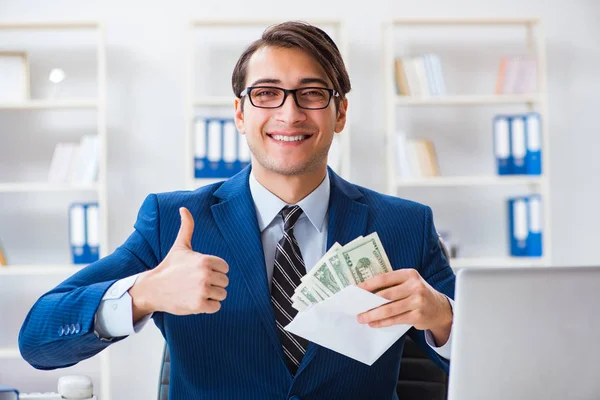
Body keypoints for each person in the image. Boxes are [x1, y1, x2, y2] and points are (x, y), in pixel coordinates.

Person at [19, 21, 455, 400]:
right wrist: (143, 294)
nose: (290, 113)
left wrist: (444, 317)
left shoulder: (406, 224)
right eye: (267, 94)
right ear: (240, 114)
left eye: (312, 94)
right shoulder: (172, 221)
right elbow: (38, 338)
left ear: (340, 112)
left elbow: (488, 364)